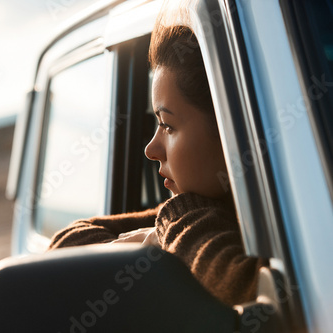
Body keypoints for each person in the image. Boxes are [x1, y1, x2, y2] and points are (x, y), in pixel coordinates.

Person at [47, 20, 267, 306]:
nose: (151, 149)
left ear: (230, 131)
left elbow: (245, 289)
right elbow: (66, 243)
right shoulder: (201, 214)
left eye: (167, 125)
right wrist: (167, 227)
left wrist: (172, 226)